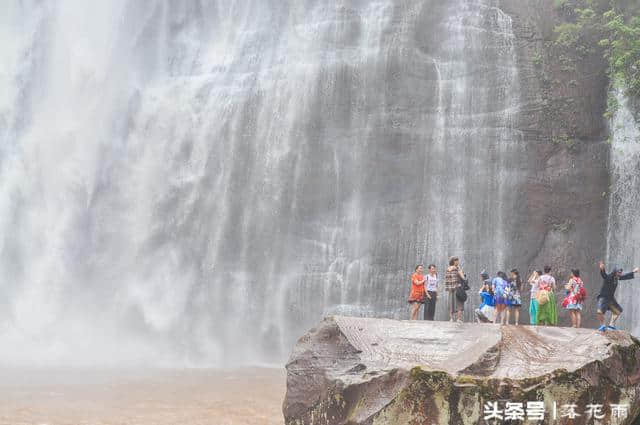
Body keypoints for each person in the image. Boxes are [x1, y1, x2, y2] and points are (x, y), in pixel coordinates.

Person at [596, 261, 639, 331]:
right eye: (618, 272)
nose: (620, 274)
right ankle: (603, 325)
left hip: (610, 298)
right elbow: (604, 275)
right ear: (614, 272)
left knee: (618, 311)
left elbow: (625, 276)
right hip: (603, 297)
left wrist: (634, 272)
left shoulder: (617, 278)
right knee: (599, 311)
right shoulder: (609, 277)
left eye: (620, 272)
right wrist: (602, 269)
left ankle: (611, 325)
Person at [445, 256, 466, 322]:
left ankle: (451, 319)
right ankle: (458, 319)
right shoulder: (457, 268)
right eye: (457, 261)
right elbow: (463, 278)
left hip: (450, 289)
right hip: (457, 288)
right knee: (459, 303)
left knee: (451, 303)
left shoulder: (448, 269)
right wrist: (460, 271)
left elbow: (447, 280)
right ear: (454, 262)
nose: (458, 262)